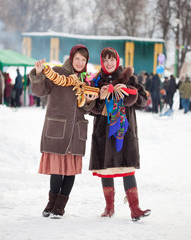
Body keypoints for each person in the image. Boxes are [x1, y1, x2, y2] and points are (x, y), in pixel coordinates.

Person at [29, 44, 97, 219]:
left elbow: (86, 109)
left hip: (76, 130)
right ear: (71, 58)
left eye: (84, 60)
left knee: (70, 171)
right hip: (58, 128)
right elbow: (40, 90)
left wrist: (89, 101)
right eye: (78, 59)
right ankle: (50, 203)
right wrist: (38, 73)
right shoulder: (58, 73)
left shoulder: (86, 80)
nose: (80, 62)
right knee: (57, 170)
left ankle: (60, 207)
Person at [89, 47, 151, 221]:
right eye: (105, 60)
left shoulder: (129, 77)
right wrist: (100, 98)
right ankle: (109, 207)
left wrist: (129, 91)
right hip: (103, 132)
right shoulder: (96, 81)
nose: (109, 63)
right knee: (106, 169)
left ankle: (135, 208)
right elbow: (89, 108)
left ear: (117, 60)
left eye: (112, 59)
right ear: (102, 62)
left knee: (128, 169)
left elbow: (142, 100)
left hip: (124, 131)